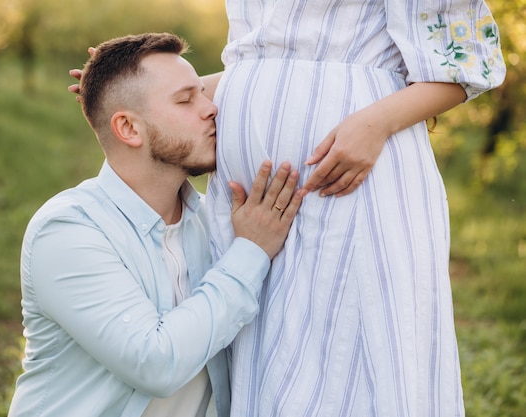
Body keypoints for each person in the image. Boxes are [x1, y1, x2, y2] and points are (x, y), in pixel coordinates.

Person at [69, 2, 506, 415]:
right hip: (244, 195)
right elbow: (264, 60)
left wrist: (375, 123)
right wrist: (125, 90)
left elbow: (467, 62)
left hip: (346, 169)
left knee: (352, 351)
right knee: (262, 348)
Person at [8, 32, 305, 417]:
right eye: (185, 99)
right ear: (128, 129)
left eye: (203, 92)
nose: (212, 109)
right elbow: (156, 363)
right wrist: (250, 252)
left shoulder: (211, 223)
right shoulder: (67, 231)